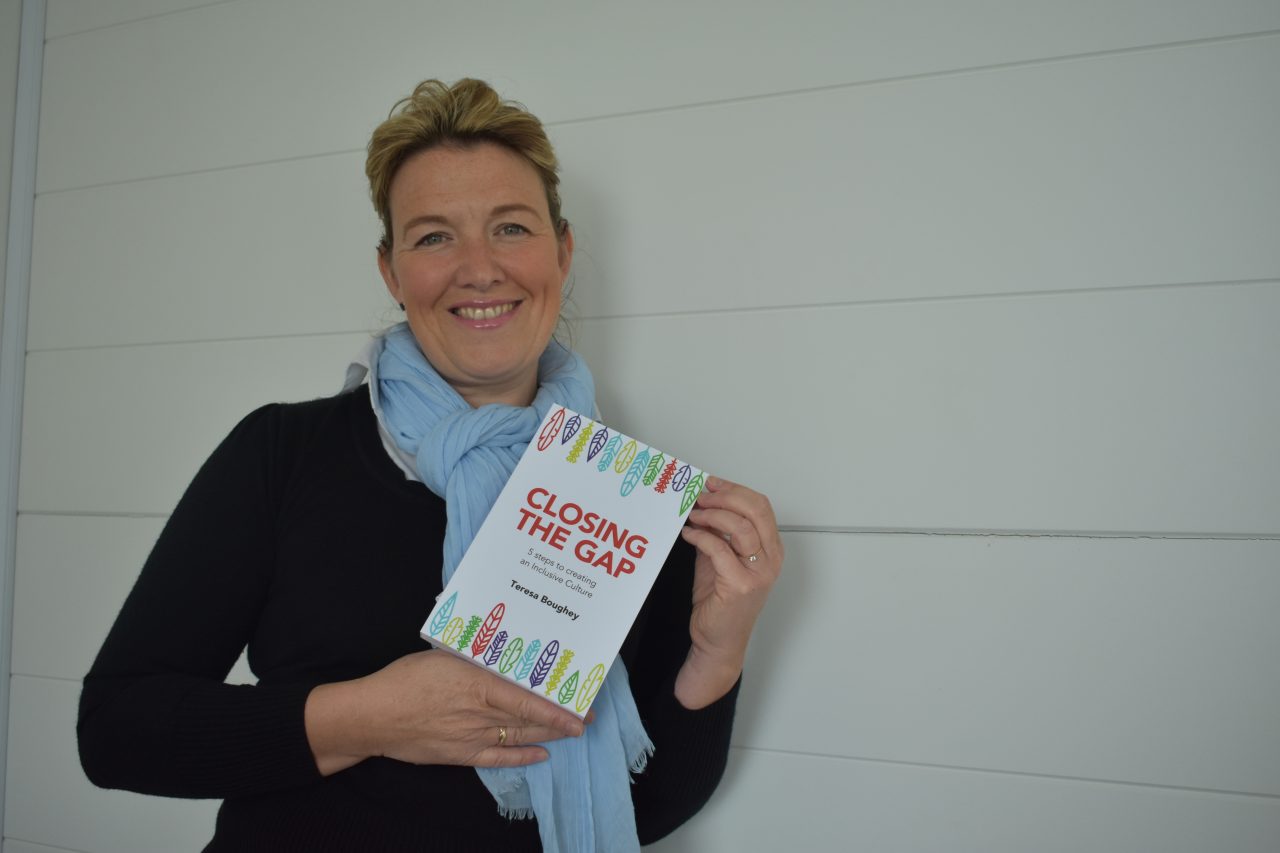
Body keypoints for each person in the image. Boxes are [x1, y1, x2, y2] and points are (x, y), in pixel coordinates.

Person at [78, 78, 783, 852]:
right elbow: (115, 729)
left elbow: (643, 808)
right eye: (434, 237)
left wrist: (718, 650)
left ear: (562, 250)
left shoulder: (625, 494)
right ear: (391, 271)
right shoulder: (282, 453)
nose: (479, 268)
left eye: (511, 227)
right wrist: (372, 718)